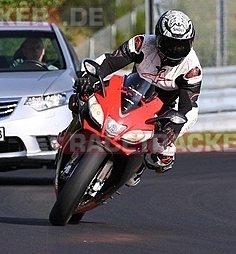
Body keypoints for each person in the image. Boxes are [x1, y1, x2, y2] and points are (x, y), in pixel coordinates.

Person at [74, 10, 202, 183]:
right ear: (157, 38)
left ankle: (137, 164)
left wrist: (176, 125)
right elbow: (110, 61)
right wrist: (90, 77)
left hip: (160, 111)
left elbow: (190, 106)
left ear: (191, 43)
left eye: (181, 46)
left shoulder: (192, 69)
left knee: (163, 158)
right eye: (169, 44)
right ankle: (73, 132)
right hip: (130, 92)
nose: (174, 51)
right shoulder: (141, 43)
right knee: (81, 96)